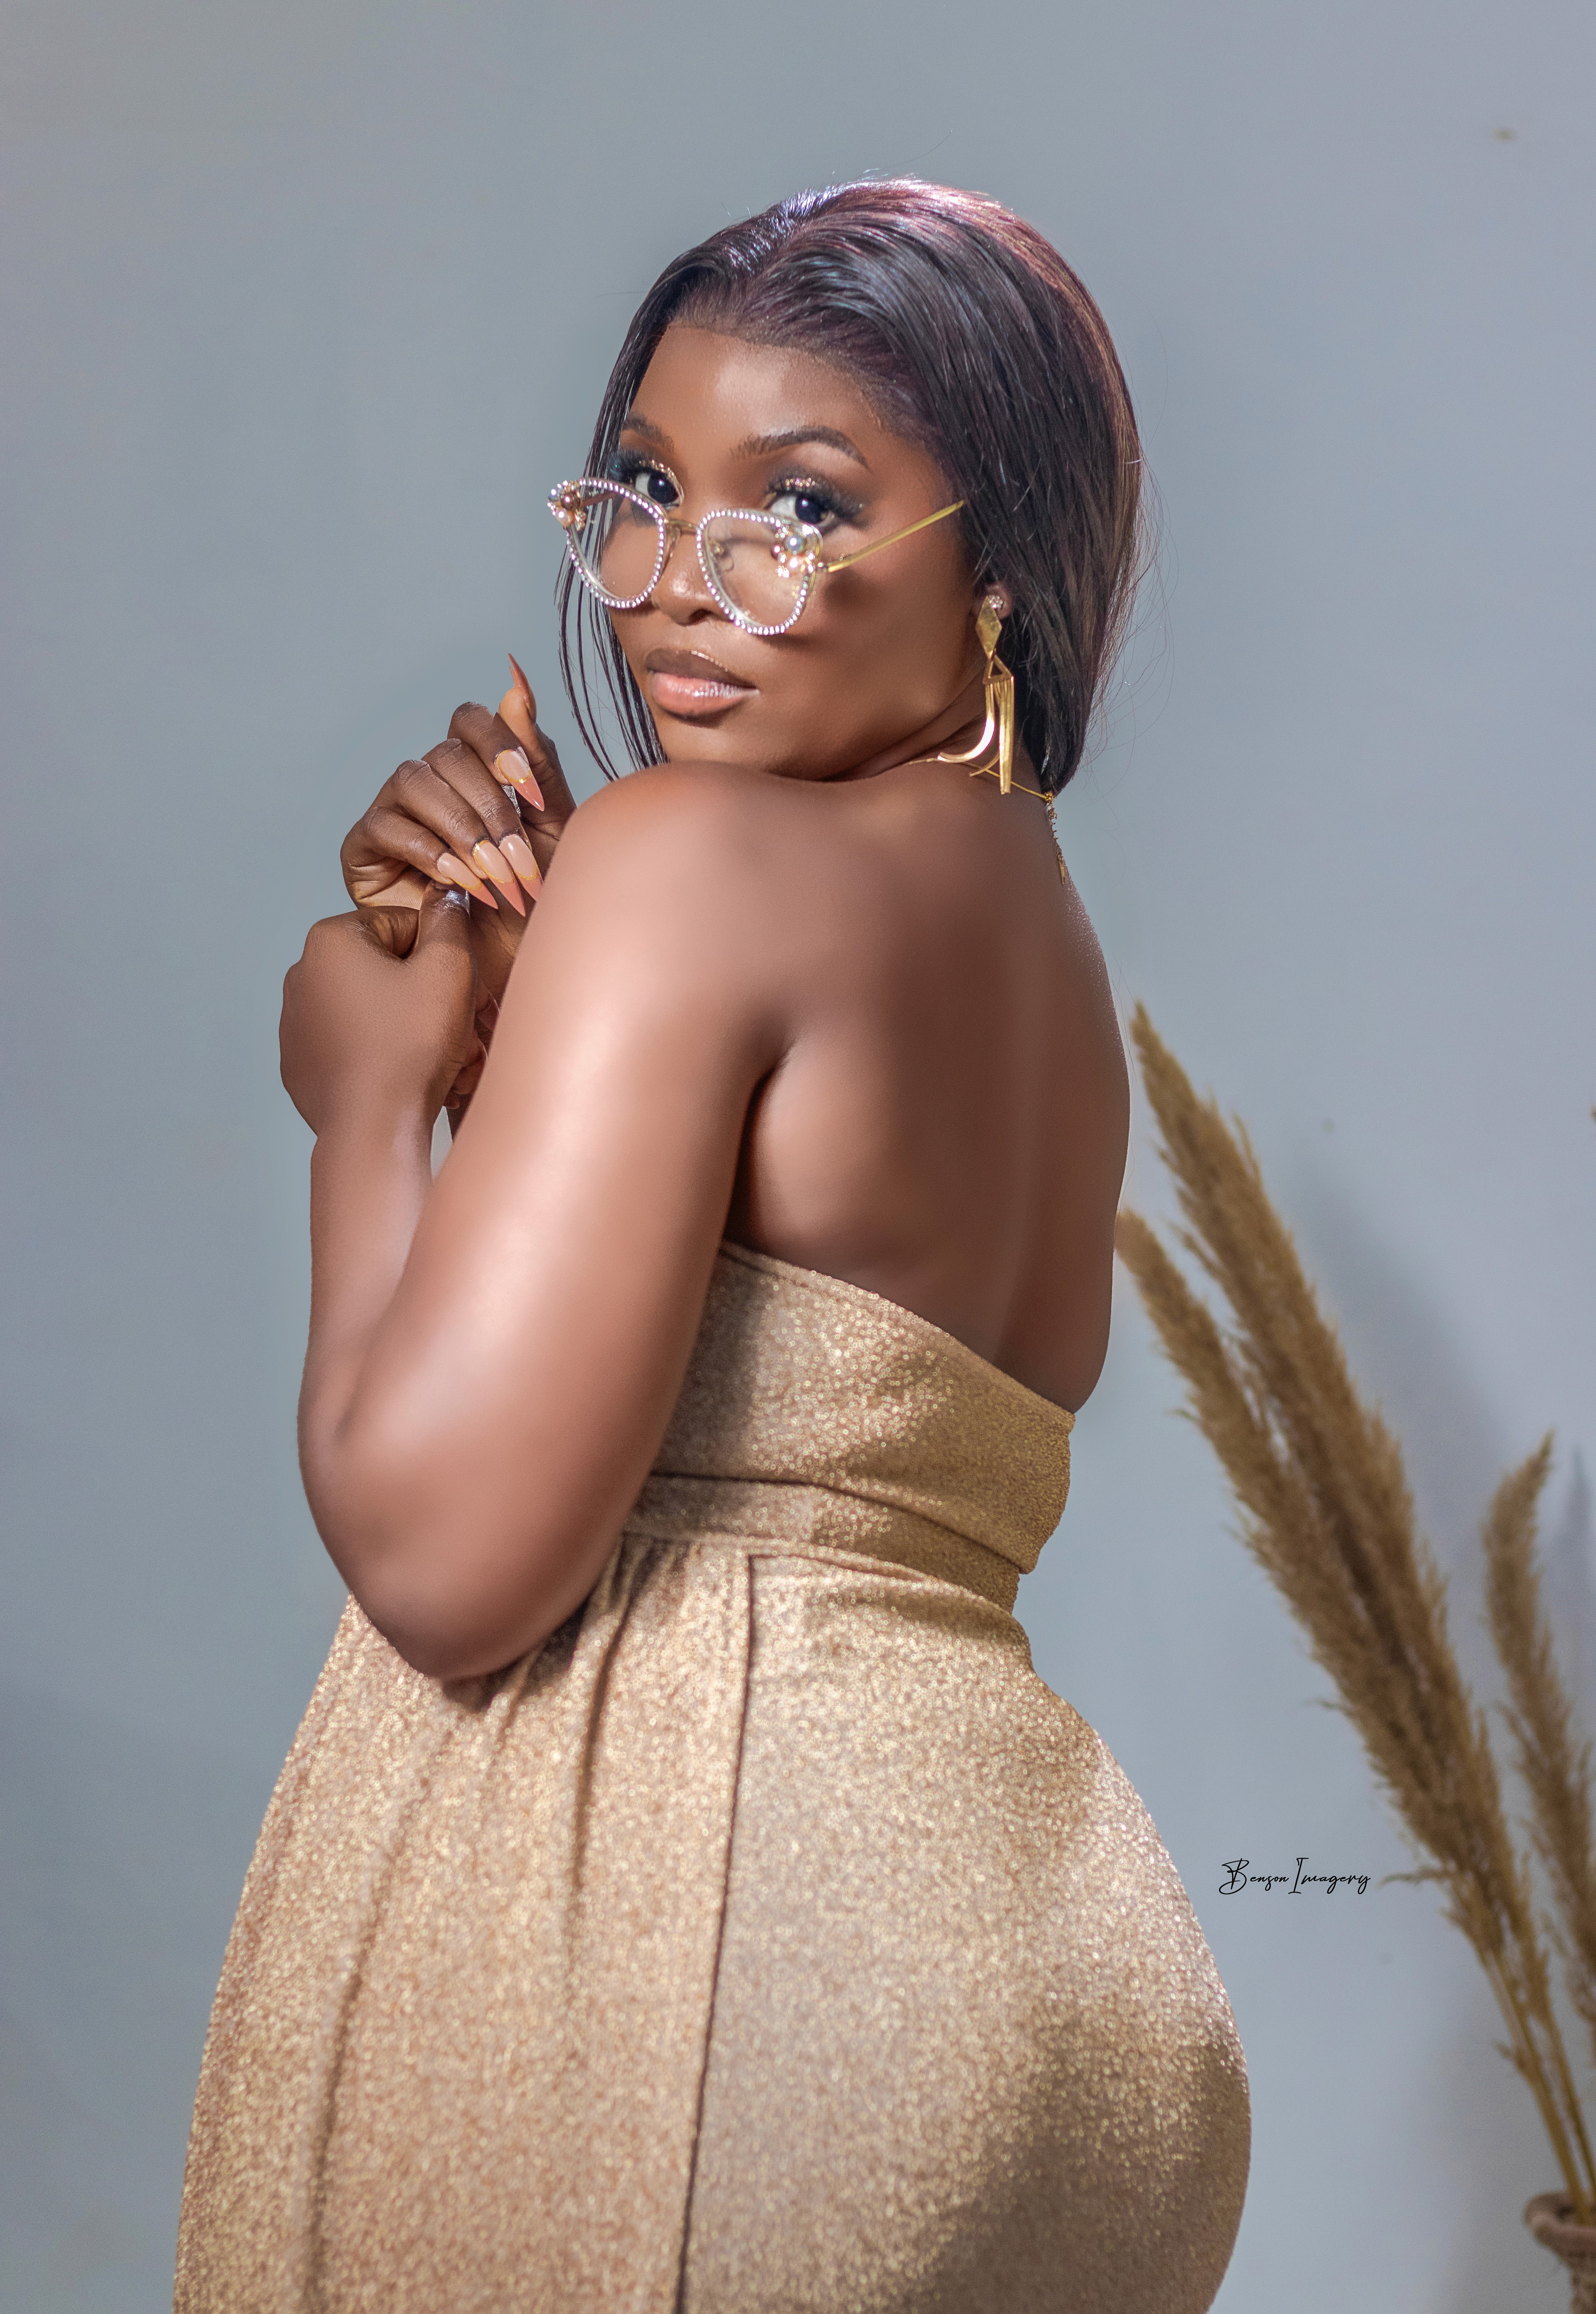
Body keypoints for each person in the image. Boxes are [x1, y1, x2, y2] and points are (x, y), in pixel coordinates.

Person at [174, 179, 1250, 2313]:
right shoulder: (1038, 939)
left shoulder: (690, 869)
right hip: (1068, 1994)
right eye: (649, 491)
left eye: (804, 508)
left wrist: (378, 1081)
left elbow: (447, 1555)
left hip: (748, 1989)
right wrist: (549, 982)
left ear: (1004, 580)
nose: (677, 590)